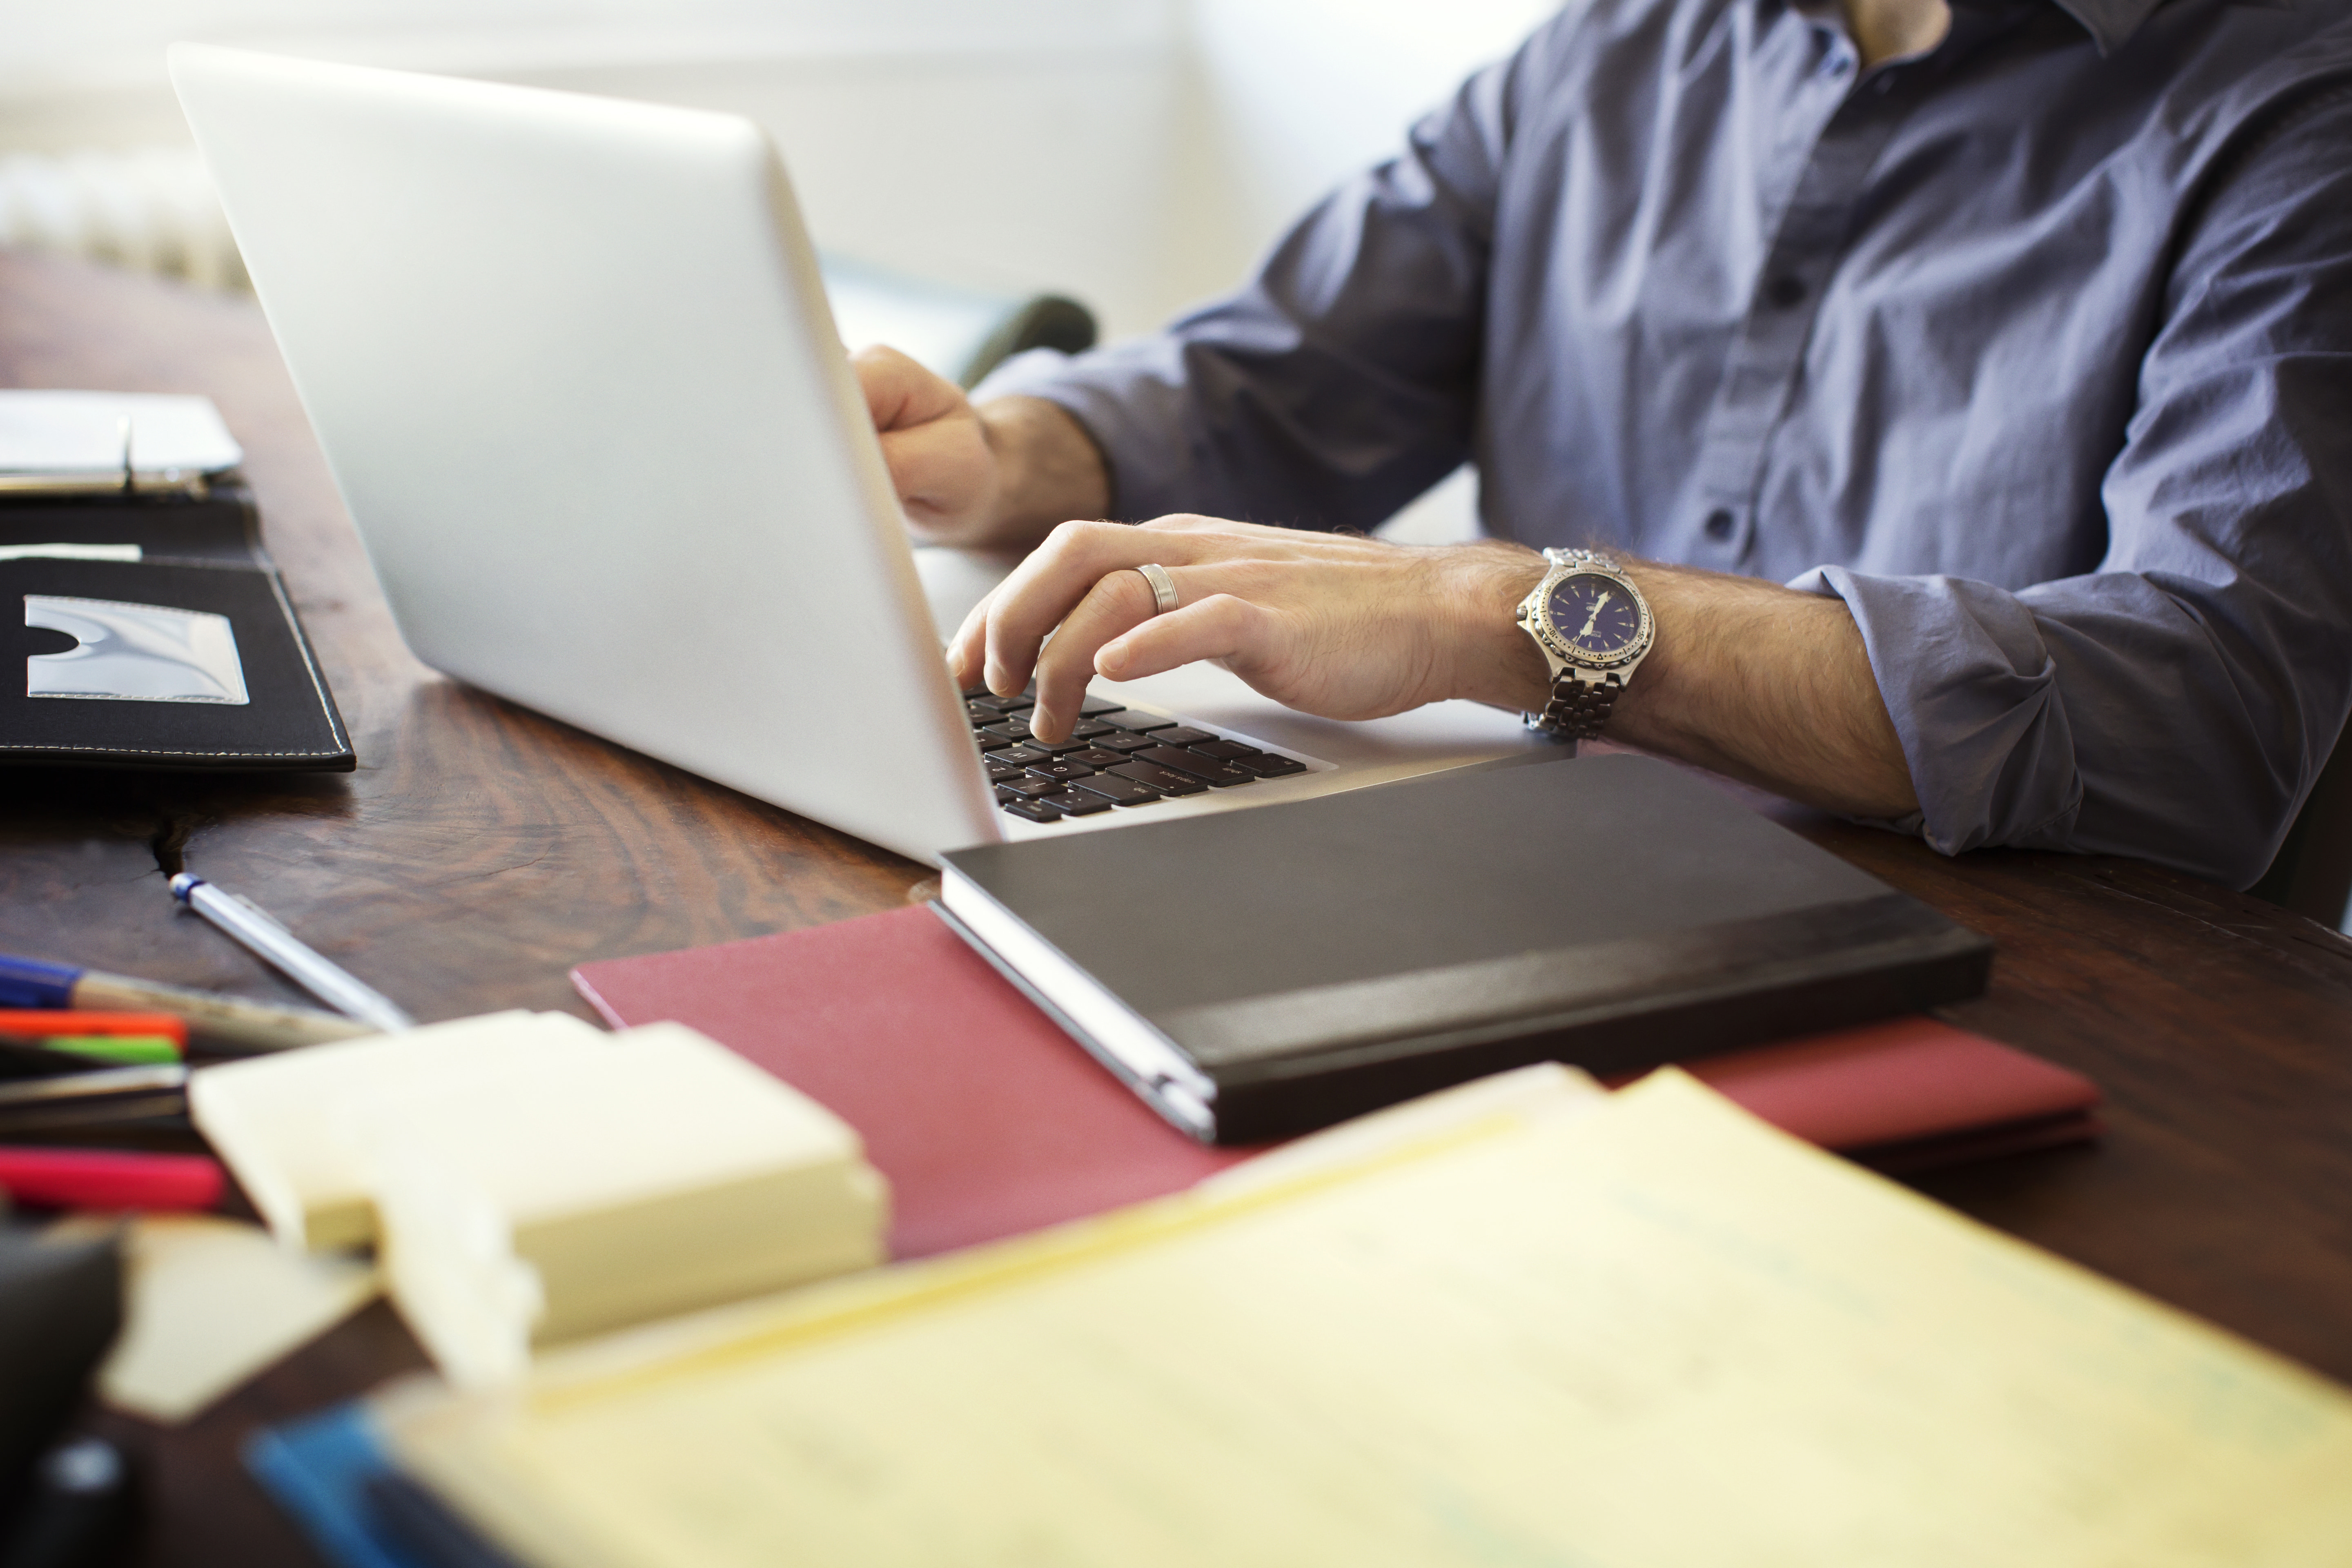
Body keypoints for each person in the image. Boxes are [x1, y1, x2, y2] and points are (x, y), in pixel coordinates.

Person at [853, 0, 2352, 889]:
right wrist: (1007, 456)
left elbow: (2202, 710)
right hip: (1532, 859)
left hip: (2016, 967)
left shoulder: (2300, 103)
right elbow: (1289, 370)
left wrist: (1495, 614)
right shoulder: (1623, 39)